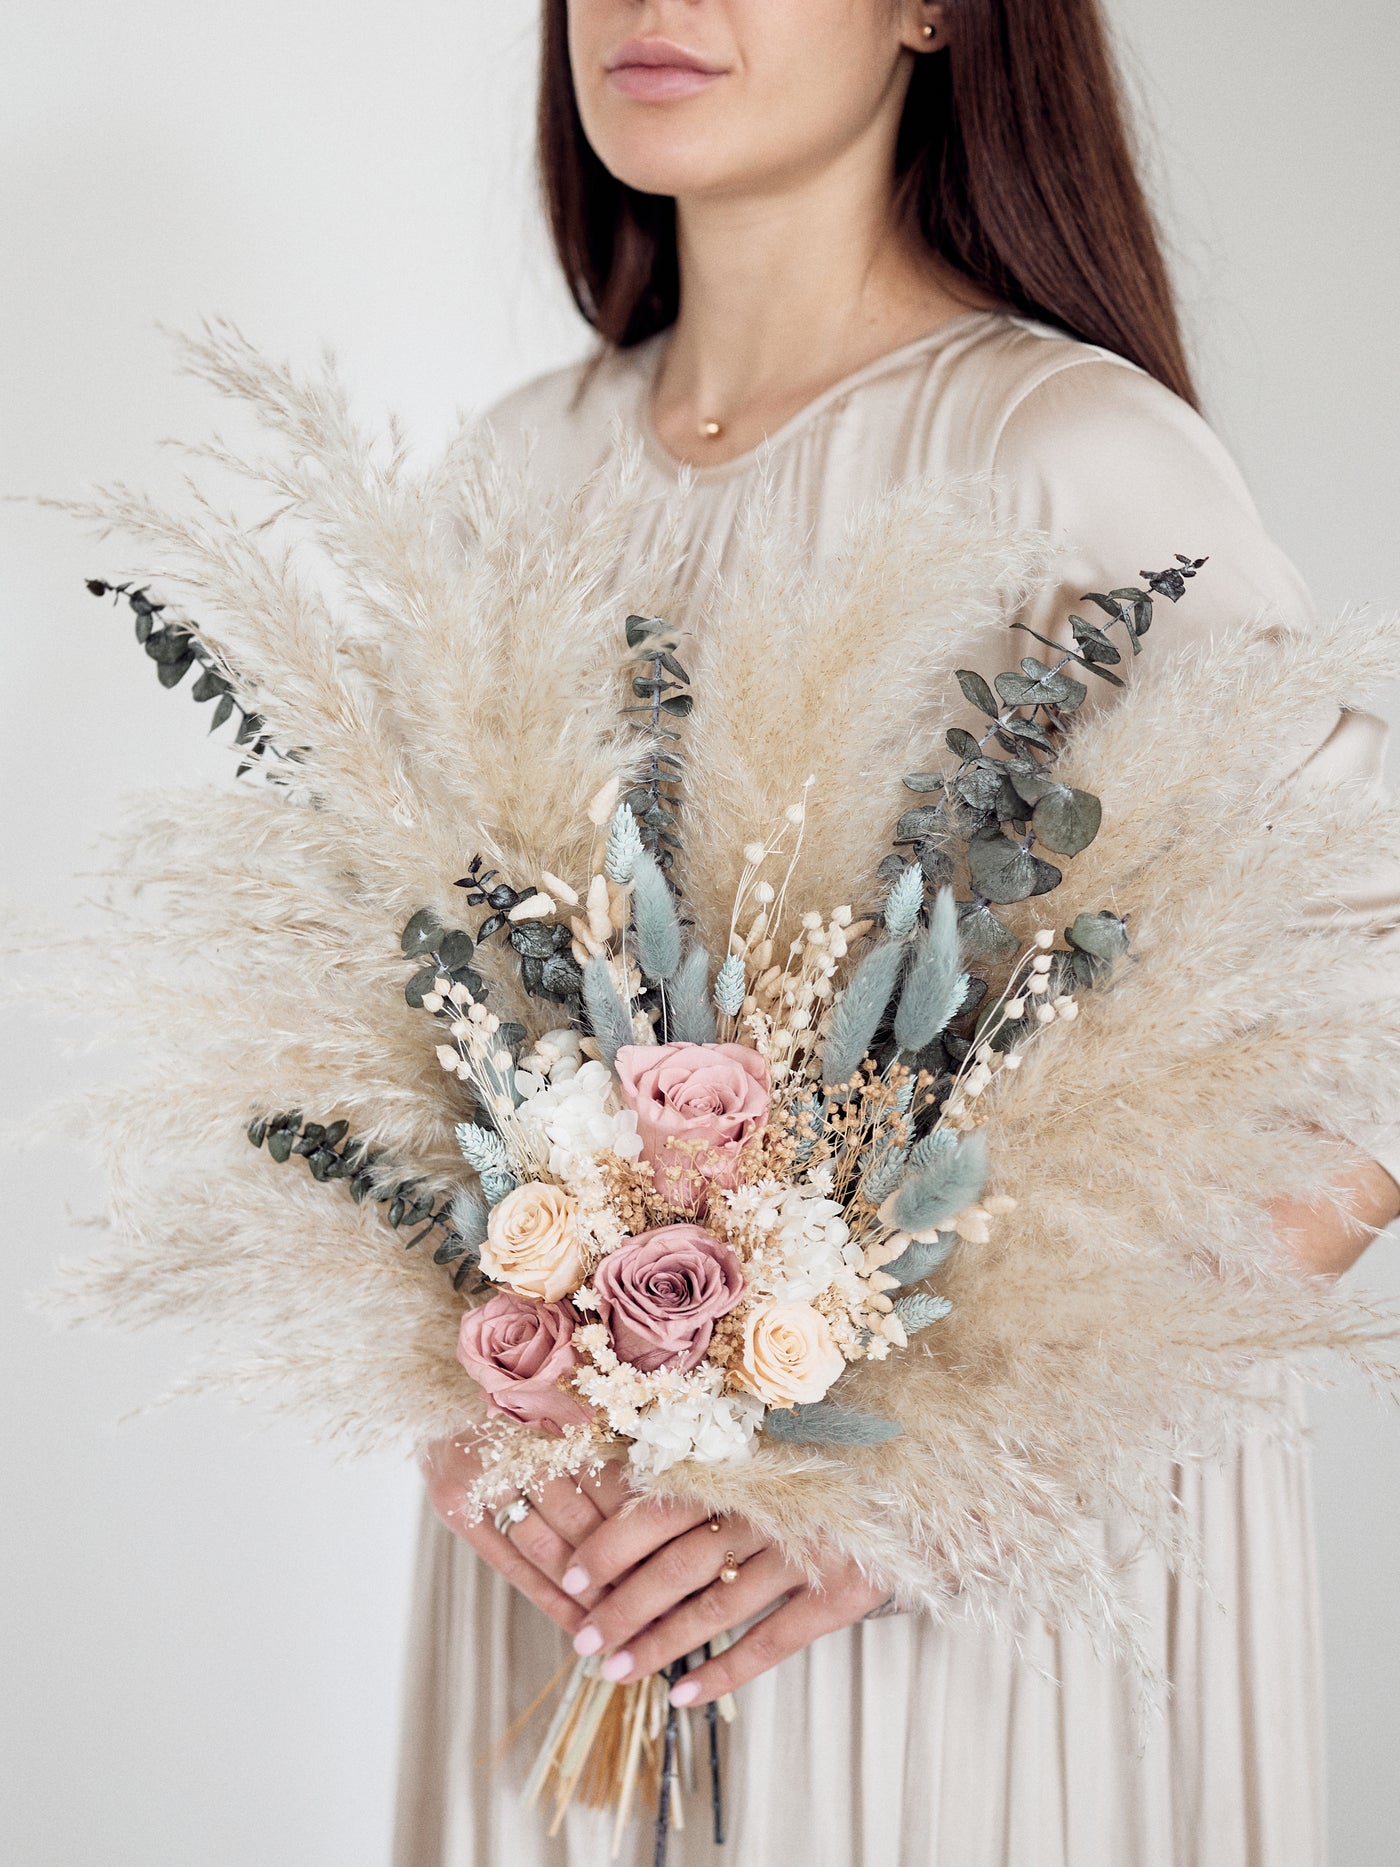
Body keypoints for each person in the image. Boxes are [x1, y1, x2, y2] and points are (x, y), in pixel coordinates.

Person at [395, 5, 1400, 1862]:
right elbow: (377, 1032)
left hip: (941, 1614)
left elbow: (1369, 1013)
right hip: (586, 1580)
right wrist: (456, 1403)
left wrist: (942, 1485)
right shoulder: (509, 479)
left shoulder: (1071, 459)